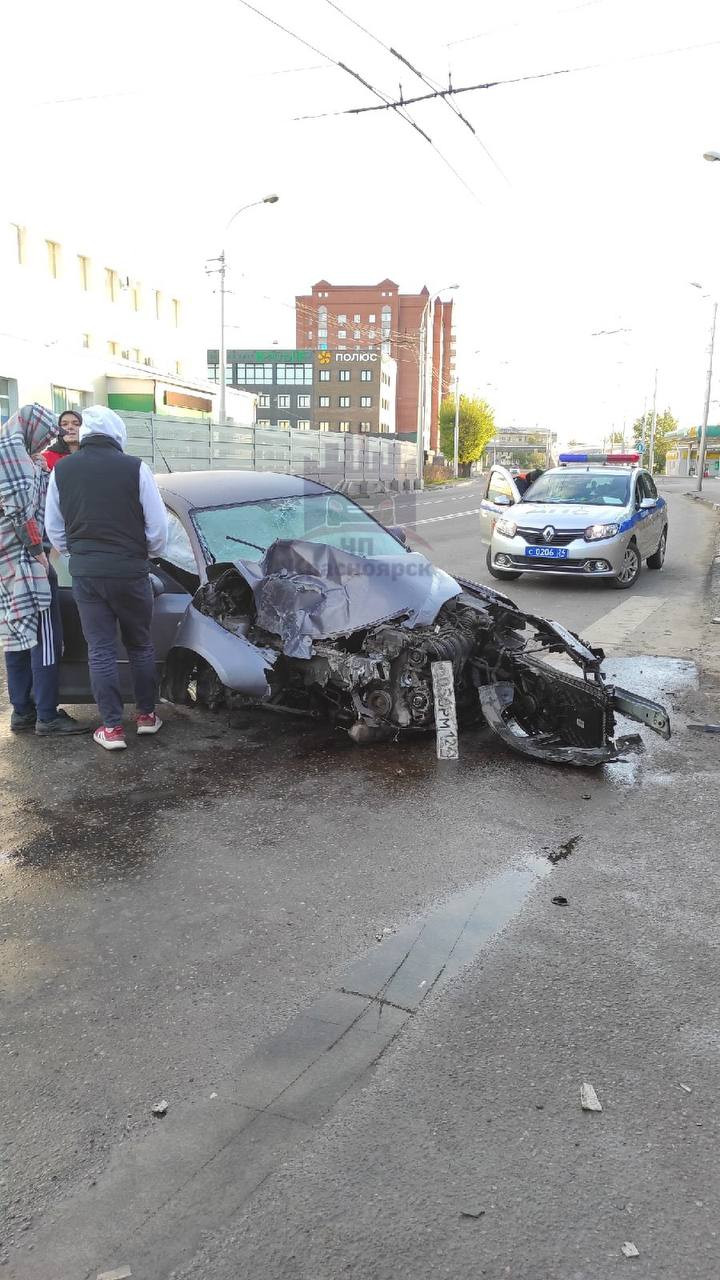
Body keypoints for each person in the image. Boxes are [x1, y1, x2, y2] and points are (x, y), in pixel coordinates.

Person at [45, 405, 168, 751]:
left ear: (85, 433)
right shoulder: (136, 467)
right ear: (117, 433)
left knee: (100, 650)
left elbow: (54, 526)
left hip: (87, 574)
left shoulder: (63, 470)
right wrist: (145, 554)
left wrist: (76, 556)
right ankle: (146, 716)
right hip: (131, 571)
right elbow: (158, 528)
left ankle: (112, 729)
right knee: (140, 644)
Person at [0, 404, 87, 736]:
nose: (48, 439)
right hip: (26, 564)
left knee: (17, 635)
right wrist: (39, 551)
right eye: (47, 432)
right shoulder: (17, 461)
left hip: (7, 564)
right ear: (31, 427)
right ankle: (47, 716)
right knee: (45, 639)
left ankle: (22, 711)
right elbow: (22, 512)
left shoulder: (13, 453)